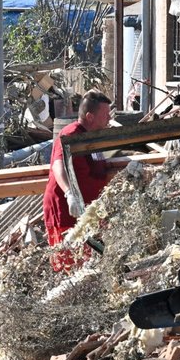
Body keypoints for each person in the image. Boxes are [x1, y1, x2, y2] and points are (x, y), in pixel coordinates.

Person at [42, 90, 114, 249]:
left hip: (88, 214)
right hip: (66, 213)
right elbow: (57, 164)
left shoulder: (93, 138)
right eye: (105, 115)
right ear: (90, 117)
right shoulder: (72, 135)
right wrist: (70, 193)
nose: (110, 119)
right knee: (67, 263)